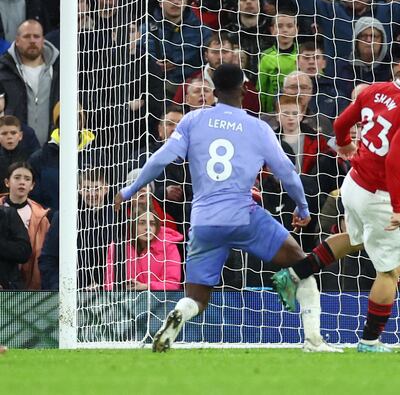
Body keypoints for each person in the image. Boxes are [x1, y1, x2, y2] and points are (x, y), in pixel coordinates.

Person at [114, 63, 340, 353]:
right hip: (244, 216)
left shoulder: (193, 120)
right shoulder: (257, 127)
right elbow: (287, 172)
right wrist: (304, 208)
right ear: (245, 89)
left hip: (204, 222)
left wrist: (129, 189)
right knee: (303, 266)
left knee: (197, 297)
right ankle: (314, 341)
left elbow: (160, 159)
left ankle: (180, 313)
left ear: (214, 92)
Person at [271, 43, 400, 353]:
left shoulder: (374, 90)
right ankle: (370, 341)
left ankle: (294, 274)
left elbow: (338, 124)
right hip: (381, 195)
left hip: (354, 183)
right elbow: (395, 161)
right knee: (390, 270)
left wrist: (346, 145)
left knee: (356, 238)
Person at [2, 161, 50, 290]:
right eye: (17, 177)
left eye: (27, 179)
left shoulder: (41, 217)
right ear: (7, 182)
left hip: (29, 284)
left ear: (32, 185)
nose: (22, 182)